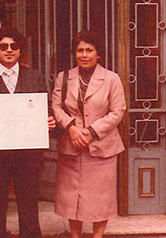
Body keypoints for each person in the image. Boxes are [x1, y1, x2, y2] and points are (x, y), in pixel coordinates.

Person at [0, 27, 56, 238]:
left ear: (20, 51)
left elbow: (45, 108)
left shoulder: (35, 76)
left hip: (28, 157)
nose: (9, 50)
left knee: (29, 211)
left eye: (14, 46)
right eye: (3, 46)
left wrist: (49, 120)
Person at [51, 30, 126, 238]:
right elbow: (56, 107)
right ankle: (75, 235)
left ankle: (97, 236)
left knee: (100, 198)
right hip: (71, 145)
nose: (84, 55)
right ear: (75, 54)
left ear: (98, 54)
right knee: (72, 197)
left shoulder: (111, 79)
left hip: (102, 147)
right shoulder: (64, 78)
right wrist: (71, 127)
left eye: (89, 50)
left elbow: (118, 111)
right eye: (80, 50)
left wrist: (92, 131)